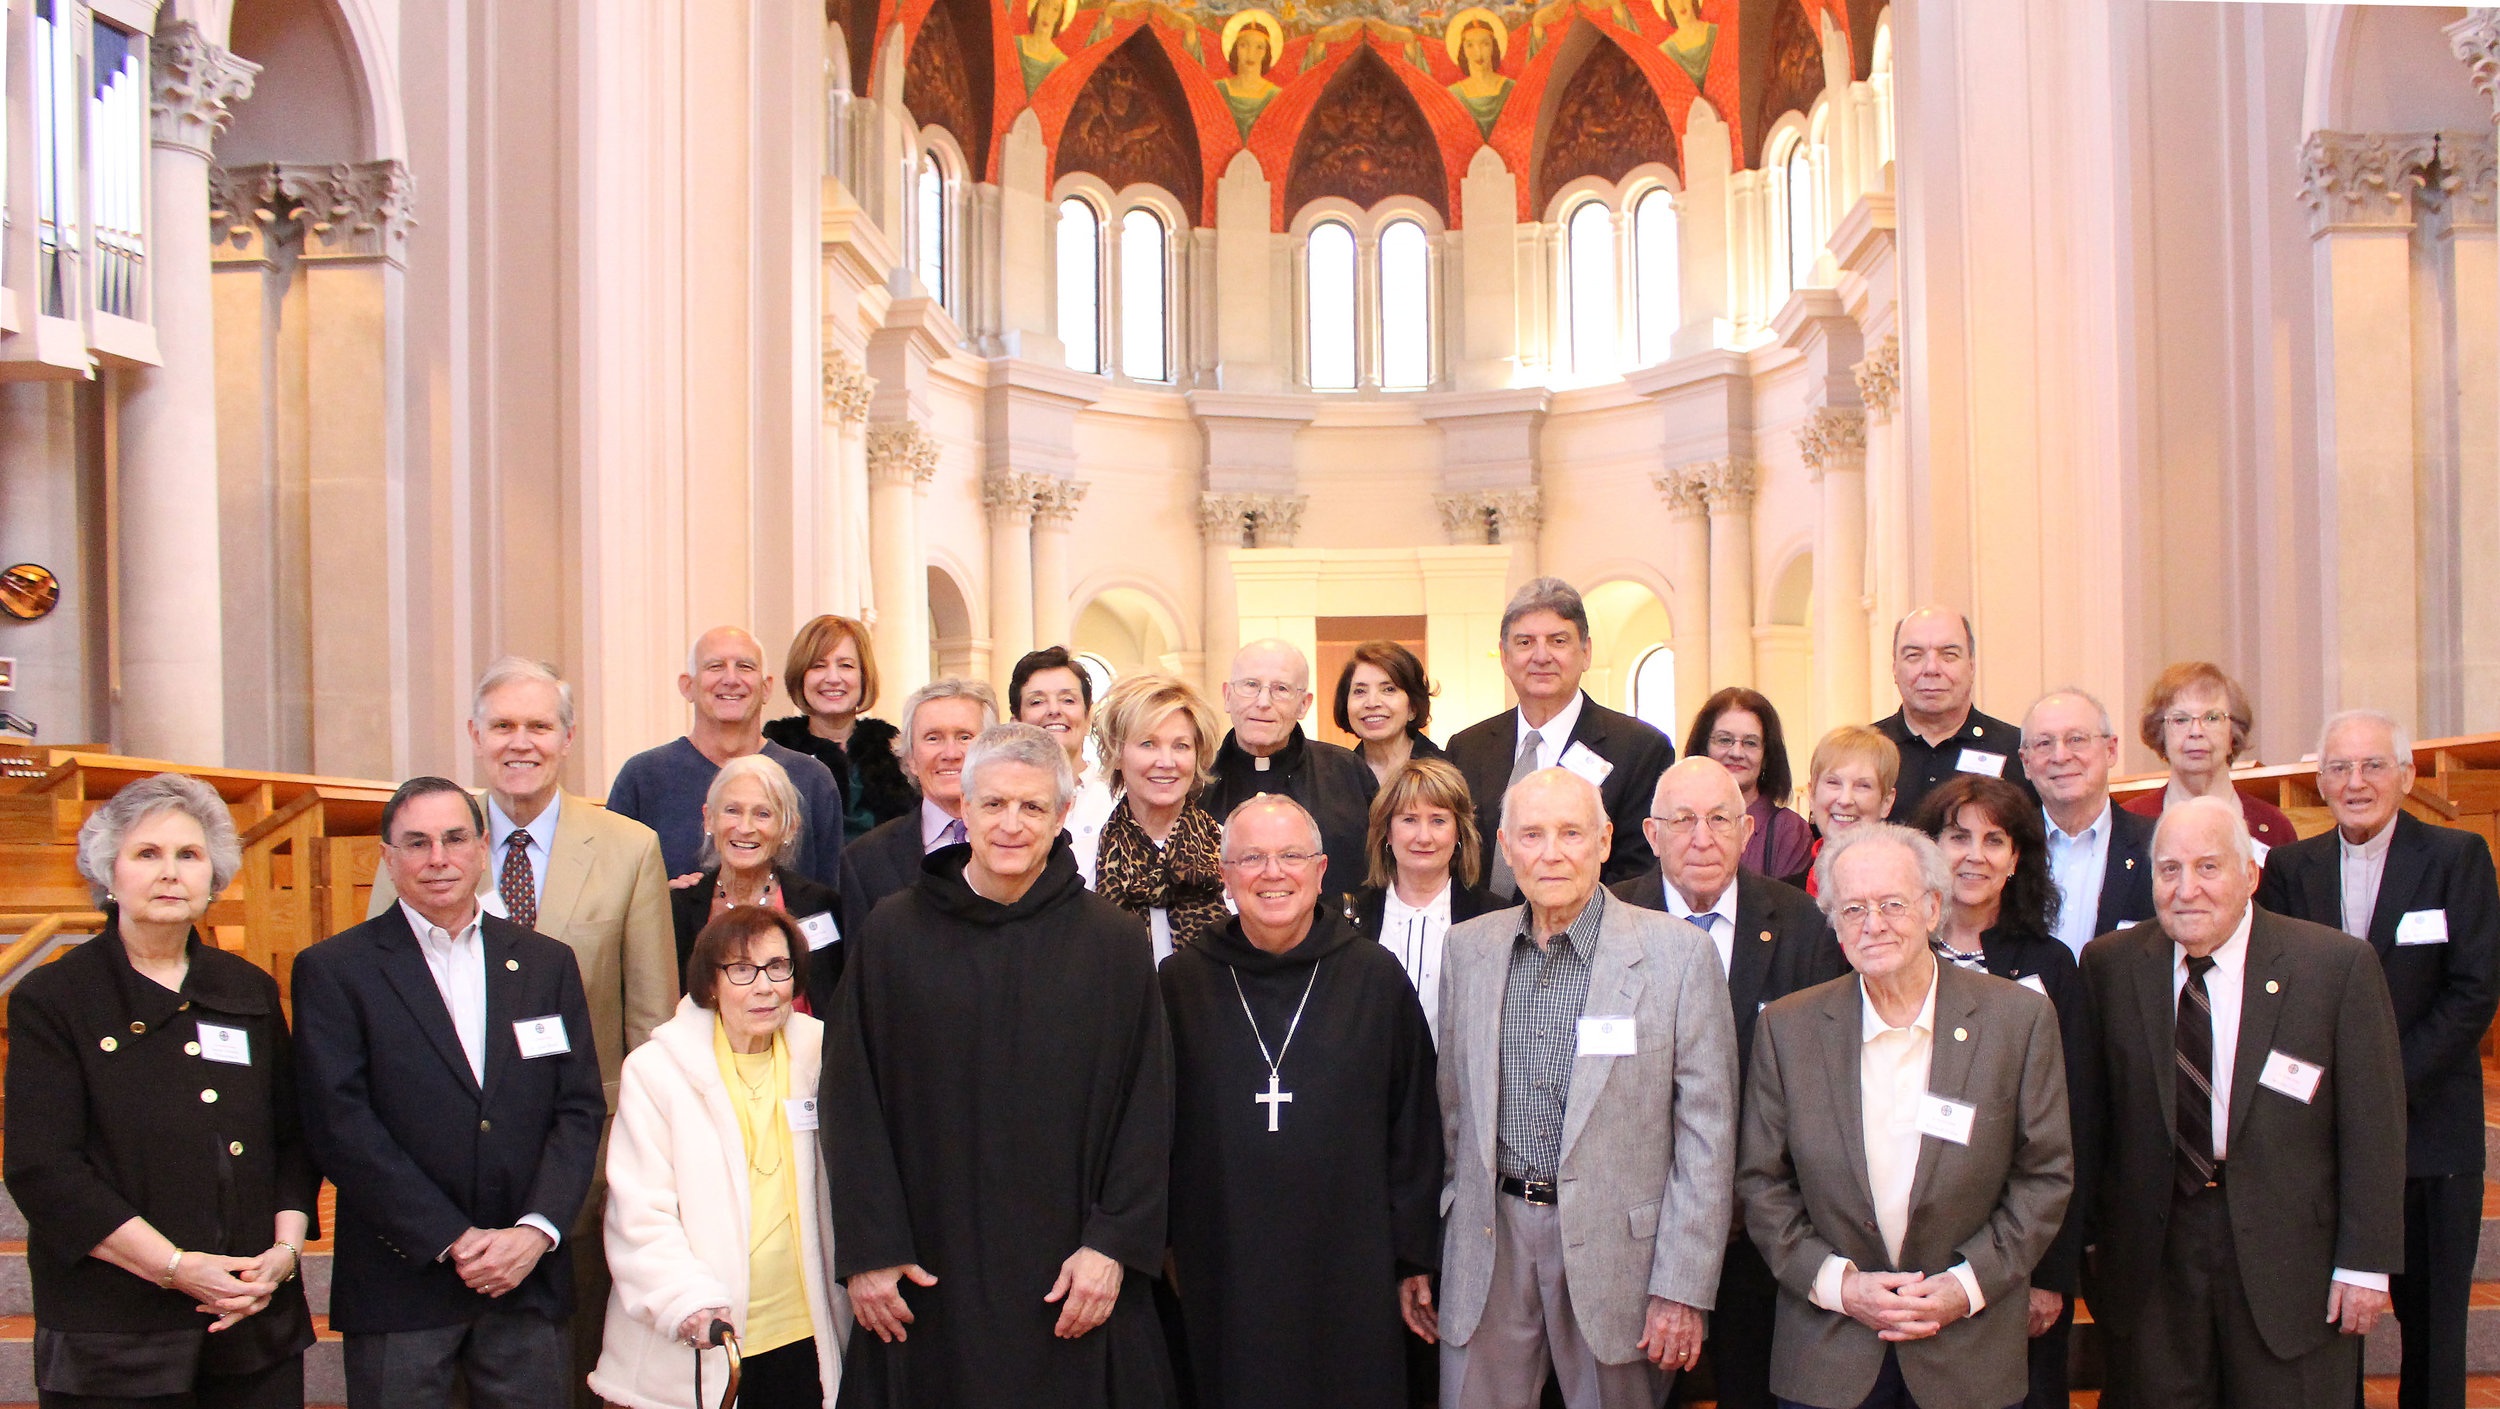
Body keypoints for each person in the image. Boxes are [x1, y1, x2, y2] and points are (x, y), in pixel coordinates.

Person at [825, 723, 1174, 1409]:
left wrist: (1113, 1246)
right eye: (993, 804)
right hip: (927, 1277)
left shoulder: (1111, 943)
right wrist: (869, 1249)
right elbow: (851, 1097)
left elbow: (1148, 1104)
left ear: (1062, 814)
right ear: (963, 805)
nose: (1011, 824)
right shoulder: (894, 934)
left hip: (1073, 1279)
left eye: (1033, 806)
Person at [367, 657, 680, 1409]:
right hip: (435, 1169)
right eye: (503, 724)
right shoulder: (425, 836)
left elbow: (651, 1024)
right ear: (475, 735)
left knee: (559, 1377)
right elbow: (384, 994)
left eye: (539, 725)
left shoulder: (629, 846)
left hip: (577, 1166)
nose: (521, 741)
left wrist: (638, 1163)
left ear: (568, 737)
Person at [2075, 796, 2405, 1409]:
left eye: (2208, 867)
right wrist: (2089, 1241)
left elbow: (2374, 1127)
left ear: (2250, 874)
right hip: (2153, 1257)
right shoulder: (2111, 967)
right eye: (2168, 870)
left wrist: (2365, 1263)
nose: (2186, 889)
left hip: (2292, 1260)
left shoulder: (2333, 967)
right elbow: (2094, 1123)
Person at [5, 773, 316, 1409]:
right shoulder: (55, 998)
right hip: (115, 1337)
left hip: (252, 1321)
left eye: (188, 855)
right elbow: (43, 1169)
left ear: (214, 875)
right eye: (147, 854)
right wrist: (175, 1267)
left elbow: (292, 1139)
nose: (170, 873)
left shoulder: (249, 990)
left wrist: (283, 1254)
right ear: (107, 873)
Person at [293, 777, 605, 1409]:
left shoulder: (548, 964)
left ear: (483, 846)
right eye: (416, 843)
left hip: (526, 1278)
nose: (438, 858)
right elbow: (339, 1125)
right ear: (387, 858)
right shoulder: (335, 970)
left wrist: (536, 1230)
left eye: (455, 838)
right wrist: (453, 1239)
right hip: (401, 1280)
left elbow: (578, 1110)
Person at [1432, 766, 1738, 1409]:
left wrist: (1681, 1286)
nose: (1551, 852)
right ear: (1506, 848)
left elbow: (1707, 1140)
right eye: (1532, 835)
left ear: (1604, 841)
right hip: (1491, 1245)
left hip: (1620, 1257)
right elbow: (1454, 1113)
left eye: (1571, 833)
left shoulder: (1679, 957)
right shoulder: (1468, 950)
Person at [1736, 824, 2071, 1409]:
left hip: (1967, 1349)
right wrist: (1838, 1285)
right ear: (1834, 923)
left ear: (1933, 908)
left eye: (1892, 904)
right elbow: (1762, 1183)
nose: (1874, 924)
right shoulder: (1787, 1029)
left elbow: (2044, 1177)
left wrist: (1963, 1288)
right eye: (1853, 908)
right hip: (1830, 1350)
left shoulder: (2017, 1021)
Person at [1160, 795, 1443, 1409]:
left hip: (1351, 1256)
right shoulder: (1181, 983)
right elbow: (1153, 1128)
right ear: (1225, 874)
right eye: (1252, 858)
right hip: (1222, 1254)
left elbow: (1416, 1127)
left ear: (1319, 871)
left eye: (1291, 856)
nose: (1272, 873)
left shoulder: (1374, 977)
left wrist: (1414, 1254)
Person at [2257, 709, 2500, 1409]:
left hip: (2432, 1137)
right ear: (2321, 782)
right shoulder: (2290, 867)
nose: (2355, 781)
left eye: (2372, 765)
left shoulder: (2457, 858)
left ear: (2407, 774)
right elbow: (2275, 989)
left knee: (2433, 1329)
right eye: (2338, 768)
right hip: (2321, 1137)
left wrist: (2381, 1082)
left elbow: (2474, 988)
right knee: (2330, 1328)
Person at [1608, 758, 1843, 1409]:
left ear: (1747, 831)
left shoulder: (1803, 926)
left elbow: (1819, 1084)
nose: (1702, 837)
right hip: (1637, 1224)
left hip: (1764, 1226)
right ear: (1652, 834)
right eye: (1683, 821)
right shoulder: (1606, 920)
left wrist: (1751, 1194)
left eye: (1720, 819)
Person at [592, 907, 846, 1409]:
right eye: (741, 970)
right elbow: (639, 1214)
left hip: (809, 1334)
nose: (764, 987)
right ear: (710, 984)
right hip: (706, 1336)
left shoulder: (823, 1052)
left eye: (778, 967)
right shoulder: (656, 1071)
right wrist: (686, 1302)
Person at [1907, 773, 2088, 1409]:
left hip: (2015, 1242)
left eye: (1995, 839)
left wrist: (2051, 1273)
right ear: (1928, 849)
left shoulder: (2051, 964)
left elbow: (2075, 1125)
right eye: (1957, 837)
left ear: (2017, 859)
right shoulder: (1891, 953)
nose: (1974, 855)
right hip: (1904, 1234)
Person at [1447, 577, 1675, 897]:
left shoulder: (1639, 749)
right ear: (1504, 656)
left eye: (1558, 641)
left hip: (1588, 939)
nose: (1541, 656)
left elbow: (1638, 873)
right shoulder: (1467, 749)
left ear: (1585, 652)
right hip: (1484, 938)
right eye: (1525, 642)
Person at [609, 626, 846, 888]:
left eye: (745, 667)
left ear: (766, 688)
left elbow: (831, 898)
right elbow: (614, 890)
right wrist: (663, 903)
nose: (731, 679)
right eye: (715, 667)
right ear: (687, 686)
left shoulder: (812, 779)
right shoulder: (642, 777)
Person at [668, 754, 843, 1013]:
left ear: (789, 827)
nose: (745, 827)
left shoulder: (821, 905)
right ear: (709, 819)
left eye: (763, 814)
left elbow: (836, 1003)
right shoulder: (678, 908)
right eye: (732, 811)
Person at [1208, 638, 1380, 899]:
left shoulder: (1346, 773)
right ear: (1227, 696)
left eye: (1281, 689)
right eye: (1251, 685)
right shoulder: (1199, 781)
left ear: (1304, 704)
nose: (1263, 701)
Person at [832, 677, 997, 942]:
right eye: (933, 738)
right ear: (910, 758)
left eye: (965, 737)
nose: (951, 752)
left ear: (992, 751)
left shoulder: (1021, 843)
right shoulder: (864, 860)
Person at [1348, 756, 1498, 1043]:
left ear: (1458, 833)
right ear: (1387, 833)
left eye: (1439, 820)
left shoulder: (1493, 918)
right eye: (1409, 820)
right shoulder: (1348, 918)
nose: (1424, 837)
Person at [1089, 671, 1230, 961]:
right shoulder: (1085, 857)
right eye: (1148, 744)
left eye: (1181, 746)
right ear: (1117, 754)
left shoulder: (1231, 849)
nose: (1166, 762)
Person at [2019, 688, 2154, 960]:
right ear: (2026, 763)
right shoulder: (2007, 847)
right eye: (2044, 744)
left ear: (2111, 750)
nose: (2060, 756)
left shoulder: (2155, 846)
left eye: (2076, 739)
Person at [764, 614, 916, 843]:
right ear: (800, 676)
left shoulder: (898, 753)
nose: (833, 678)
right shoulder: (773, 758)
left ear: (863, 675)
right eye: (818, 666)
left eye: (845, 665)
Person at [2121, 660, 2298, 856]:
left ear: (2234, 732)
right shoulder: (2127, 824)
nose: (2196, 731)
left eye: (2212, 718)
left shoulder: (2274, 828)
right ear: (2161, 733)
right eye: (2181, 719)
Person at [1872, 608, 2032, 823]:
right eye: (1914, 656)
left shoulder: (2019, 751)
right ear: (1894, 668)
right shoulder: (1863, 751)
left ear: (1972, 666)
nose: (1931, 668)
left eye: (1949, 655)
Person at [1684, 687, 1813, 882]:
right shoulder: (1677, 821)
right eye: (1725, 740)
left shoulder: (1789, 831)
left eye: (1750, 743)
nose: (1737, 753)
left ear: (1767, 756)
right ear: (1704, 747)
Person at [1012, 646, 1117, 883]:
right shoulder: (1002, 802)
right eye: (1037, 701)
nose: (1054, 710)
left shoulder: (1118, 796)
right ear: (1016, 721)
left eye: (1068, 700)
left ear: (1088, 715)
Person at [1798, 726, 1900, 897]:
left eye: (1863, 786)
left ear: (1886, 802)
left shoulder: (1907, 889)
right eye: (1833, 782)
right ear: (1812, 794)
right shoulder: (1782, 897)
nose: (1845, 800)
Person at [1335, 639, 1447, 787]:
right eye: (1360, 691)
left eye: (1388, 689)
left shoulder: (1446, 773)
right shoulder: (1336, 779)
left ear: (1413, 706)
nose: (1372, 703)